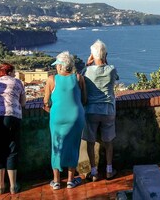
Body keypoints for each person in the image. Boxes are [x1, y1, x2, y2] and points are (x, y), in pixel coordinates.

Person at [43, 51, 86, 190]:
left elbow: (46, 102)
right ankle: (70, 180)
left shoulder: (51, 79)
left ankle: (56, 181)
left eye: (57, 65)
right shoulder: (79, 78)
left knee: (56, 146)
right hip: (75, 117)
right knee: (73, 146)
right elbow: (85, 99)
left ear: (61, 66)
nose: (56, 67)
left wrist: (52, 110)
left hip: (57, 117)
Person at [81, 40, 119, 181]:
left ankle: (94, 172)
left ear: (92, 55)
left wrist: (87, 63)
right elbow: (115, 76)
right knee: (108, 141)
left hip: (91, 110)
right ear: (105, 55)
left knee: (90, 142)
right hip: (108, 109)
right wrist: (104, 58)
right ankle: (109, 170)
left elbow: (81, 79)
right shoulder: (112, 69)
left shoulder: (86, 71)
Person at [0, 63, 26, 194]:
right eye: (13, 72)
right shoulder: (17, 82)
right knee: (12, 149)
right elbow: (23, 103)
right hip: (11, 116)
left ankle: (0, 186)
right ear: (10, 72)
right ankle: (13, 186)